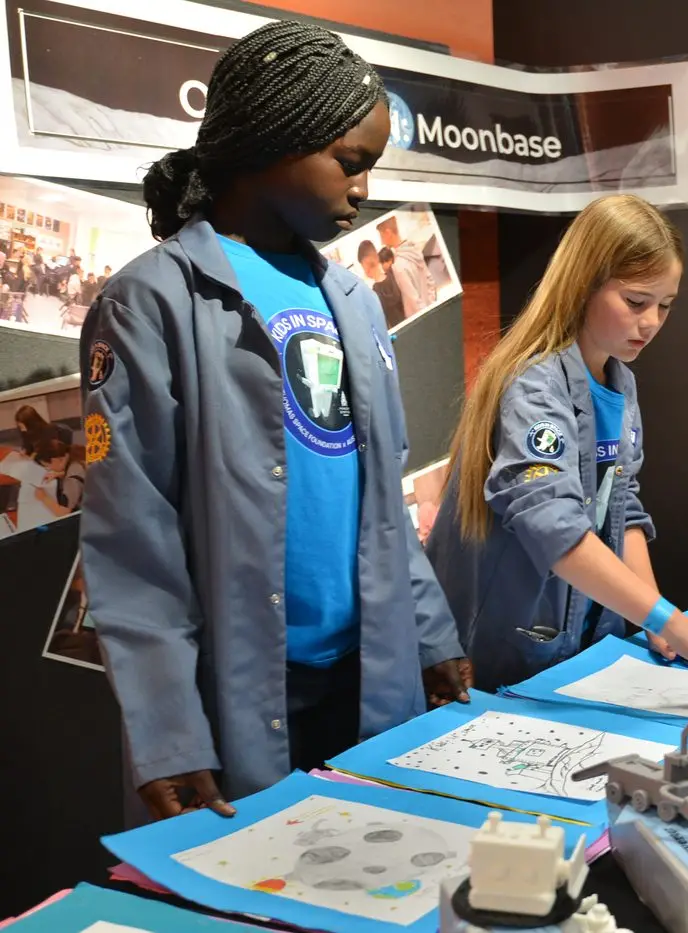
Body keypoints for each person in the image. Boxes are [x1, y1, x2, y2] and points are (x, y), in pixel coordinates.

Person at [79, 20, 470, 825]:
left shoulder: (355, 299)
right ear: (272, 140)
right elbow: (131, 538)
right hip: (239, 689)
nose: (364, 189)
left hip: (371, 672)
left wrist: (429, 636)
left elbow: (383, 502)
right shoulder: (153, 301)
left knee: (374, 869)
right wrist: (165, 730)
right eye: (350, 164)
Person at [427, 194, 688, 693]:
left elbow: (621, 505)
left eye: (665, 305)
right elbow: (553, 527)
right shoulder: (535, 384)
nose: (651, 322)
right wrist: (676, 625)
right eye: (636, 301)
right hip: (504, 651)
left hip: (577, 645)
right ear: (584, 285)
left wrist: (653, 614)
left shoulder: (619, 383)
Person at [376, 215, 436, 306]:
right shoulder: (414, 249)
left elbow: (413, 304)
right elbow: (430, 281)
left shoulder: (398, 266)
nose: (382, 242)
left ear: (388, 233)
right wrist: (431, 303)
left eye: (381, 236)